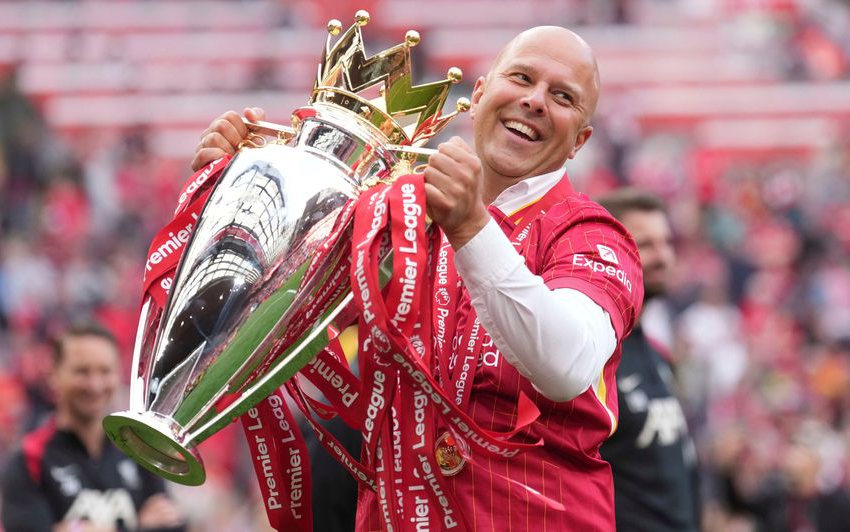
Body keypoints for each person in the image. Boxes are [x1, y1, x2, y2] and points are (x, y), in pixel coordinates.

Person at [193, 26, 643, 531]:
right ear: (477, 95)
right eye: (521, 78)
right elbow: (270, 324)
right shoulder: (394, 214)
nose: (535, 101)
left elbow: (566, 365)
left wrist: (472, 227)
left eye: (563, 97)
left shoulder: (592, 236)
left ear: (580, 140)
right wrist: (231, 204)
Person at [0, 322, 186, 532]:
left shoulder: (139, 451)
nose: (95, 385)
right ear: (54, 376)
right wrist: (139, 527)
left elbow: (172, 523)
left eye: (105, 371)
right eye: (82, 372)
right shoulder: (29, 459)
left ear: (118, 376)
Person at [597, 188, 700, 531]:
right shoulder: (592, 356)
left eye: (667, 243)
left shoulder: (656, 354)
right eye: (647, 244)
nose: (663, 257)